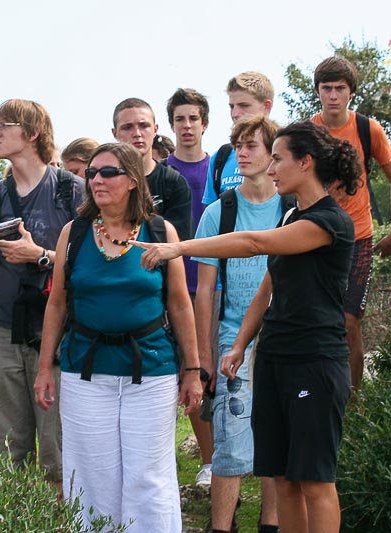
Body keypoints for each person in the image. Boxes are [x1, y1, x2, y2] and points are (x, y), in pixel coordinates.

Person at [135, 121, 360, 533]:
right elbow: (267, 287)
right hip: (273, 358)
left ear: (305, 162)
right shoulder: (294, 213)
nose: (271, 167)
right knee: (282, 478)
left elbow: (255, 244)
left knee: (314, 481)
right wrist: (239, 345)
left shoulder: (330, 222)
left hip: (316, 363)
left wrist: (179, 247)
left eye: (278, 158)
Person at [34, 142, 202, 532]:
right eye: (91, 172)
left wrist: (192, 369)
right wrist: (45, 367)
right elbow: (57, 303)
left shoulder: (162, 231)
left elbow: (179, 304)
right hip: (85, 371)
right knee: (92, 475)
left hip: (152, 369)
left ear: (131, 180)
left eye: (107, 172)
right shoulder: (72, 233)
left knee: (149, 475)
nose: (95, 179)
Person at [0, 99, 85, 488]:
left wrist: (42, 256)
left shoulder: (72, 191)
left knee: (58, 451)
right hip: (0, 329)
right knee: (5, 456)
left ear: (32, 133)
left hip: (59, 332)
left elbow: (93, 263)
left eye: (3, 125)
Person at [194, 115, 282, 532]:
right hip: (234, 342)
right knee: (230, 444)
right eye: (238, 146)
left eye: (252, 146)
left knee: (274, 441)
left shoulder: (293, 208)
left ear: (273, 153)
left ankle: (270, 523)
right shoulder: (219, 211)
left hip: (284, 339)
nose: (242, 154)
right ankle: (221, 527)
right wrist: (204, 356)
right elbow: (203, 291)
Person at [311, 56, 391, 392]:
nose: (334, 95)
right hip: (316, 237)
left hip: (358, 238)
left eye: (340, 88)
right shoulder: (307, 132)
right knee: (316, 322)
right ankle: (320, 395)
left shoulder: (369, 129)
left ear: (351, 92)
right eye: (327, 88)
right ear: (319, 92)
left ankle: (354, 404)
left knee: (350, 323)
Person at [163, 87, 214, 486]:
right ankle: (210, 460)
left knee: (215, 371)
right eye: (180, 118)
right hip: (175, 286)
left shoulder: (222, 168)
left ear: (205, 123)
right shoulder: (161, 173)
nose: (186, 125)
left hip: (214, 284)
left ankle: (229, 457)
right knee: (187, 371)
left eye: (193, 118)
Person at [112, 97, 192, 241]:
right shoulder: (104, 180)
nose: (137, 133)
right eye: (127, 127)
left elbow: (177, 245)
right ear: (115, 133)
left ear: (155, 130)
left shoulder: (173, 183)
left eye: (144, 126)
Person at [202, 72, 275, 205]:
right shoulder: (220, 158)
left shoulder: (288, 154)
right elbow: (211, 215)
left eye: (244, 105)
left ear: (266, 106)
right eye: (232, 106)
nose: (235, 114)